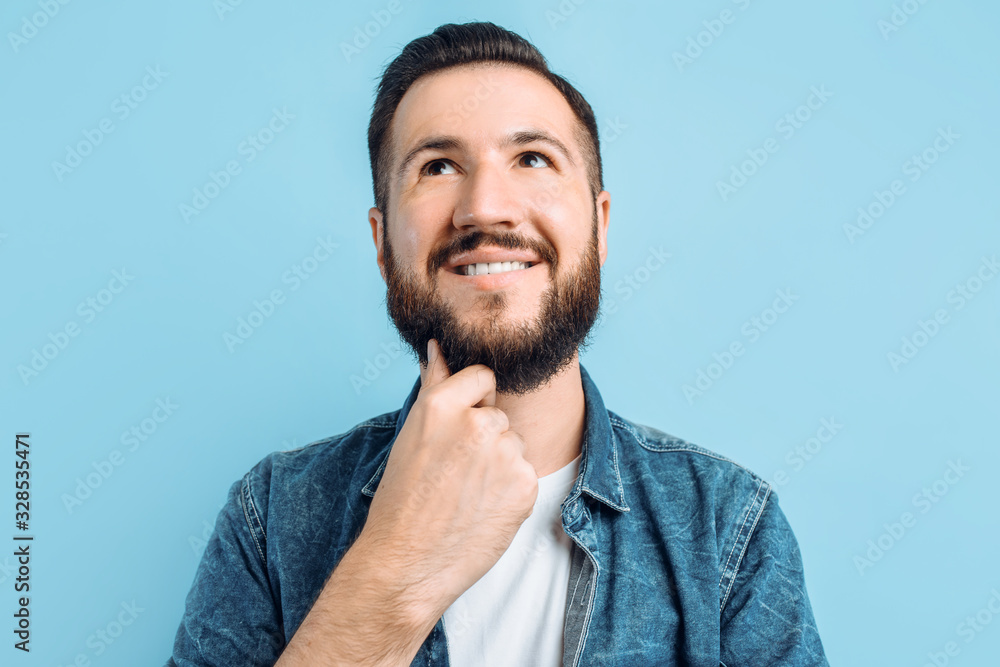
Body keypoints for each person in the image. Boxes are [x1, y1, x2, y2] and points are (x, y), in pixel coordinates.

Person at [168, 21, 828, 666]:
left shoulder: (730, 529)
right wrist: (391, 568)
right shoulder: (270, 517)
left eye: (533, 158)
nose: (485, 206)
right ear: (381, 242)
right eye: (438, 165)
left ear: (599, 227)